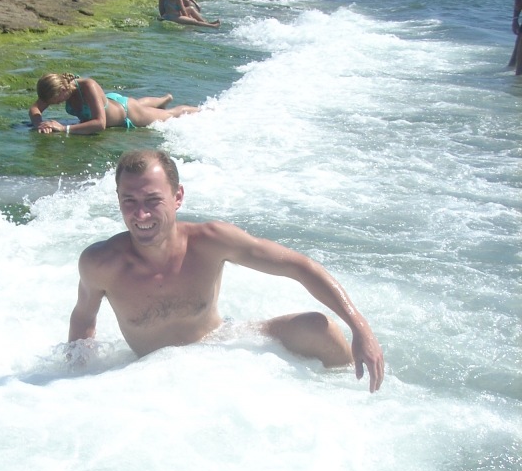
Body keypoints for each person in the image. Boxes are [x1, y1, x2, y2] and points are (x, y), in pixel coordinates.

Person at [68, 150, 385, 392]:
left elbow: (300, 267)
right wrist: (76, 385)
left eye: (153, 200)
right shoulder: (101, 264)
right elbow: (83, 319)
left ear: (177, 197)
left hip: (222, 347)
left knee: (321, 328)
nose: (141, 214)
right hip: (152, 376)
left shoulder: (210, 242)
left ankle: (356, 395)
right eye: (129, 201)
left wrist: (361, 329)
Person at [29, 73, 199, 135]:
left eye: (56, 101)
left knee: (170, 115)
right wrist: (40, 124)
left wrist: (64, 128)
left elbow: (100, 124)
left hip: (127, 112)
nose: (55, 104)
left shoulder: (87, 86)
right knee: (139, 103)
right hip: (111, 103)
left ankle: (204, 110)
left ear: (63, 90)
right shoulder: (55, 89)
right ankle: (163, 99)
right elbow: (35, 109)